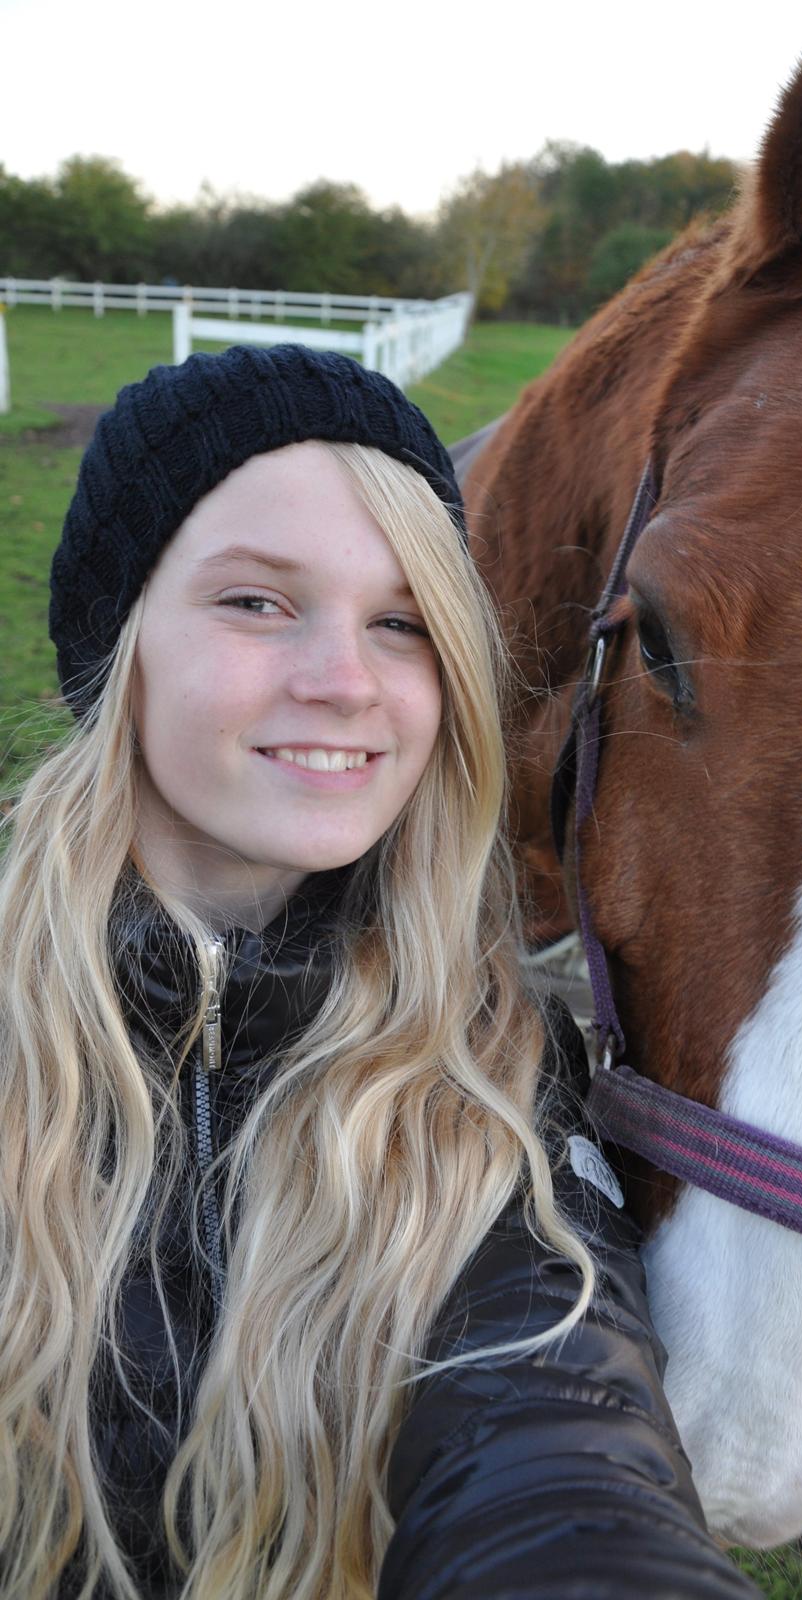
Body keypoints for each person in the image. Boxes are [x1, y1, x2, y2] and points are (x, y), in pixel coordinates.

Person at [0, 344, 759, 1600]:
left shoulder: (492, 1098)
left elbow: (563, 1459)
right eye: (256, 601)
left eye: (401, 622)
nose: (345, 681)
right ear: (120, 638)